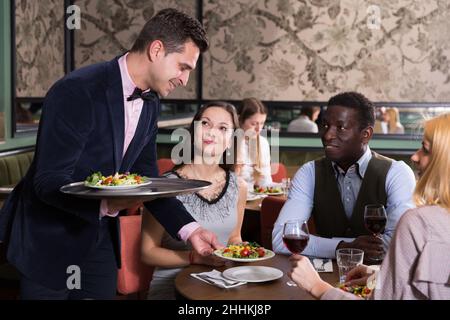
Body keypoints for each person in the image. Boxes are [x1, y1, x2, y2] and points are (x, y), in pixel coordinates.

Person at [0, 8, 222, 300]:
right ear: (157, 50)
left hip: (99, 239)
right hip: (48, 240)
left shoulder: (151, 102)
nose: (184, 79)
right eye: (183, 67)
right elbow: (47, 181)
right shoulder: (77, 90)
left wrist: (190, 230)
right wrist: (106, 204)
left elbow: (148, 180)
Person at [289, 113, 450, 300]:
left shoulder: (418, 222)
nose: (415, 156)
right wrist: (381, 277)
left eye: (425, 149)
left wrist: (318, 287)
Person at [272, 92, 416, 261]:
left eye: (341, 127)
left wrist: (320, 245)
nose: (327, 135)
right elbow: (281, 239)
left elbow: (401, 243)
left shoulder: (396, 173)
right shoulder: (309, 172)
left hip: (377, 282)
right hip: (320, 280)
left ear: (366, 134)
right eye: (325, 125)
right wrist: (344, 246)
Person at [142, 102, 247, 300]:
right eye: (205, 124)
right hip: (170, 288)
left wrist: (244, 252)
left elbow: (234, 238)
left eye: (223, 128)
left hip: (223, 287)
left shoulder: (239, 186)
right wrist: (193, 258)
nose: (212, 133)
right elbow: (147, 252)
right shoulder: (165, 186)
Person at [237, 97, 273, 189]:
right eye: (253, 124)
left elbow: (266, 182)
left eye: (262, 123)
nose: (259, 129)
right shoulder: (228, 143)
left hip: (257, 198)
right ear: (240, 120)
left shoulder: (263, 143)